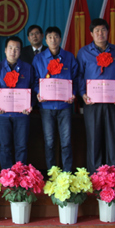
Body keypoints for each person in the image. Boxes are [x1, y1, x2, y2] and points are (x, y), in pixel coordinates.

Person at [77, 18, 115, 173]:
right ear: (91, 33)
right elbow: (79, 75)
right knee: (94, 138)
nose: (100, 33)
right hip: (92, 103)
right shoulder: (84, 52)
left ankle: (113, 174)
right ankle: (95, 174)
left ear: (108, 32)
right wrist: (82, 93)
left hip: (112, 102)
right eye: (96, 31)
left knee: (113, 138)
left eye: (103, 30)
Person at [32, 26, 78, 172]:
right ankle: (52, 173)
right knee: (49, 142)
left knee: (66, 142)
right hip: (46, 107)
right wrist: (38, 92)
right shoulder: (38, 59)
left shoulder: (69, 57)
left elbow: (76, 79)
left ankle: (67, 173)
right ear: (45, 40)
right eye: (50, 37)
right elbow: (34, 81)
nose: (53, 40)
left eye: (56, 37)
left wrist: (73, 93)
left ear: (60, 38)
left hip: (65, 106)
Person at [0, 35, 36, 170]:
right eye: (10, 48)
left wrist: (31, 105)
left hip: (22, 114)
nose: (13, 51)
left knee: (21, 146)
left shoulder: (28, 68)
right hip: (3, 114)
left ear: (20, 51)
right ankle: (7, 175)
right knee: (5, 146)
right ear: (5, 50)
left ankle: (20, 174)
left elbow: (34, 88)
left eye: (17, 49)